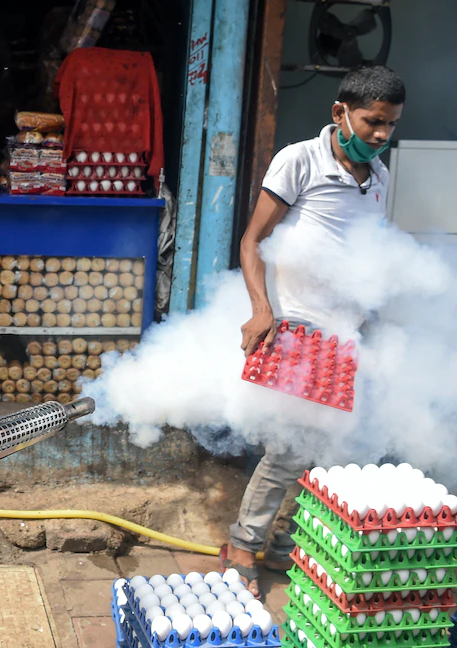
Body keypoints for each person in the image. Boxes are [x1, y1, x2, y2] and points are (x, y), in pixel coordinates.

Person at [223, 66, 405, 598]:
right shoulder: (299, 160)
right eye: (373, 122)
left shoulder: (379, 177)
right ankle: (242, 547)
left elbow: (366, 256)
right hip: (298, 326)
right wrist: (261, 309)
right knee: (289, 448)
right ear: (340, 112)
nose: (381, 134)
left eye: (391, 125)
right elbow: (252, 240)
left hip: (345, 333)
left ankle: (287, 545)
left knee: (332, 453)